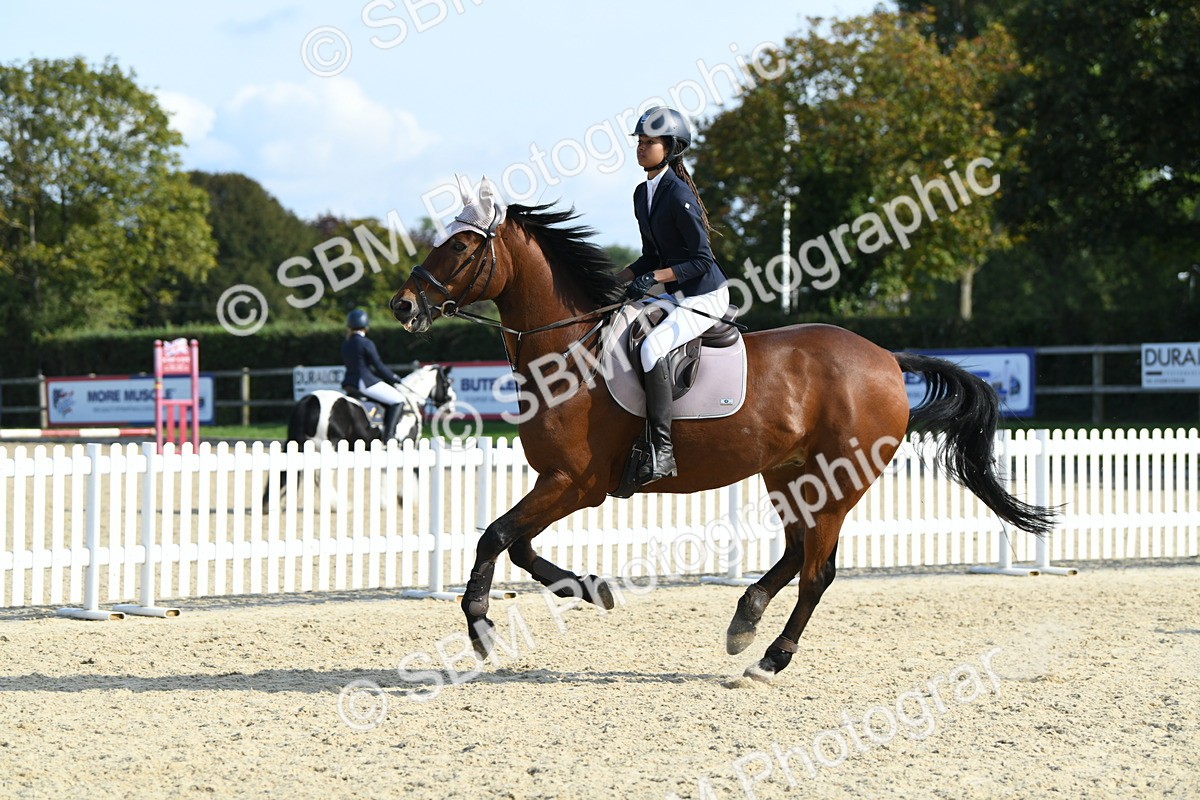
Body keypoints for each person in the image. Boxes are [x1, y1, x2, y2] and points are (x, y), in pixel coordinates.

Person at [615, 106, 730, 487]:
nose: (642, 148)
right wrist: (614, 279)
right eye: (640, 142)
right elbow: (651, 255)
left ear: (672, 147)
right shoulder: (641, 194)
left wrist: (653, 277)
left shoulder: (679, 194)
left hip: (704, 295)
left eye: (650, 143)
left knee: (652, 347)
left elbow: (701, 260)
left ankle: (662, 451)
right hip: (676, 294)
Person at [341, 309, 406, 441]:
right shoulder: (366, 343)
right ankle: (389, 438)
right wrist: (394, 378)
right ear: (366, 326)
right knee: (399, 400)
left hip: (349, 383)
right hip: (364, 382)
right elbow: (379, 366)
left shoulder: (346, 344)